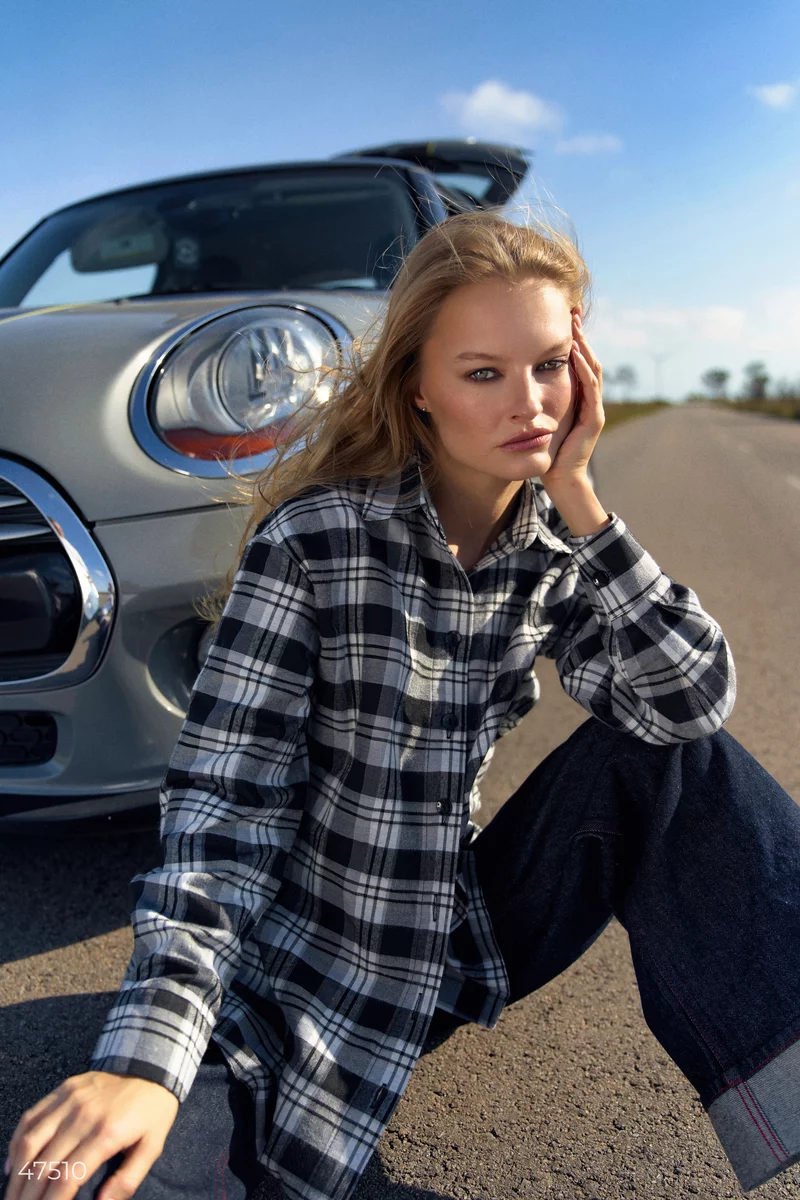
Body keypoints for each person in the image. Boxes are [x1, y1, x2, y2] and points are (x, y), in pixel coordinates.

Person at [5, 210, 800, 1200]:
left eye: (548, 364)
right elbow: (221, 810)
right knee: (105, 1177)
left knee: (673, 763)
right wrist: (142, 1065)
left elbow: (687, 703)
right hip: (293, 965)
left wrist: (586, 501)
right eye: (482, 373)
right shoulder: (315, 539)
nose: (529, 404)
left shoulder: (557, 547)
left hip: (455, 939)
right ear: (416, 387)